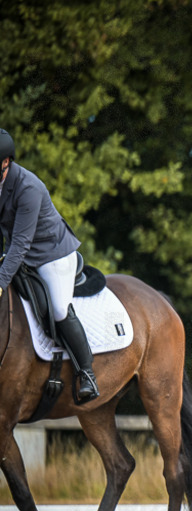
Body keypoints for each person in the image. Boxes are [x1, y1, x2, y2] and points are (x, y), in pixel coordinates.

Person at [0, 128, 100, 402]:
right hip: (21, 253)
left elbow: (20, 243)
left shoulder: (28, 188)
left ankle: (87, 373)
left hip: (51, 254)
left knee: (58, 308)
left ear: (5, 163)